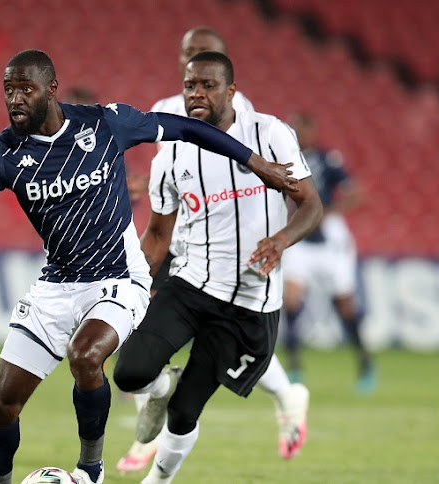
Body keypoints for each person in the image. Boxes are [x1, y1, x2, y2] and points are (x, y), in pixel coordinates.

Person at [0, 49, 297, 484]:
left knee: (85, 357)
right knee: (1, 405)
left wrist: (254, 162)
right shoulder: (2, 152)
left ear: (51, 89)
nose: (16, 100)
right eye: (9, 90)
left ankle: (90, 468)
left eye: (26, 89)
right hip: (55, 286)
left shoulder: (104, 123)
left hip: (119, 280)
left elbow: (187, 128)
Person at [113, 51, 323, 484]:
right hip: (190, 285)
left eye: (207, 85)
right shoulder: (170, 154)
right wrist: (128, 284)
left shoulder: (270, 135)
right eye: (190, 85)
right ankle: (158, 390)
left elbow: (310, 204)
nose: (196, 93)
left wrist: (281, 240)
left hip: (248, 301)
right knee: (130, 373)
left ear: (231, 91)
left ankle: (158, 480)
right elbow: (156, 236)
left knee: (187, 409)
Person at [282, 113, 375, 393]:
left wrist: (327, 212)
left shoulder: (327, 159)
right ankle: (296, 367)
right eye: (296, 130)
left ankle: (364, 362)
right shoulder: (281, 161)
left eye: (304, 129)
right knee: (291, 300)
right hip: (301, 239)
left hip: (330, 242)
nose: (300, 135)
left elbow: (357, 194)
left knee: (345, 306)